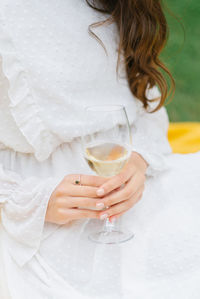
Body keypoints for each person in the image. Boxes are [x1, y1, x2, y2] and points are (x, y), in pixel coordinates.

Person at [0, 1, 200, 298]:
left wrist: (138, 161)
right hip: (35, 214)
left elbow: (143, 103)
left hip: (133, 193)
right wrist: (29, 200)